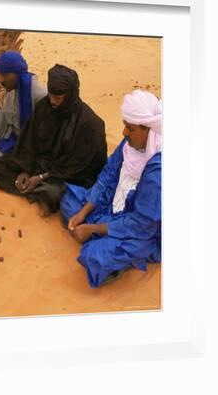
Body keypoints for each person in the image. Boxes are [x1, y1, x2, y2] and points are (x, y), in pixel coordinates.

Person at [60, 90, 162, 288]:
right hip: (112, 206)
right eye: (125, 126)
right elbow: (107, 175)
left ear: (148, 129)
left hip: (142, 230)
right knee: (69, 202)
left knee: (95, 257)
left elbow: (142, 224)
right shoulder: (129, 143)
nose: (124, 133)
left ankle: (108, 247)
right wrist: (84, 212)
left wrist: (94, 228)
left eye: (129, 128)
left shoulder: (158, 171)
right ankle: (97, 234)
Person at [0, 64, 107, 216]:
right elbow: (29, 142)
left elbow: (78, 167)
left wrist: (41, 177)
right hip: (39, 164)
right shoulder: (44, 107)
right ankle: (36, 192)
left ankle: (40, 192)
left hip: (66, 174)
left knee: (55, 192)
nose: (52, 101)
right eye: (51, 95)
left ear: (70, 95)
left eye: (58, 97)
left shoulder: (89, 124)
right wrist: (25, 169)